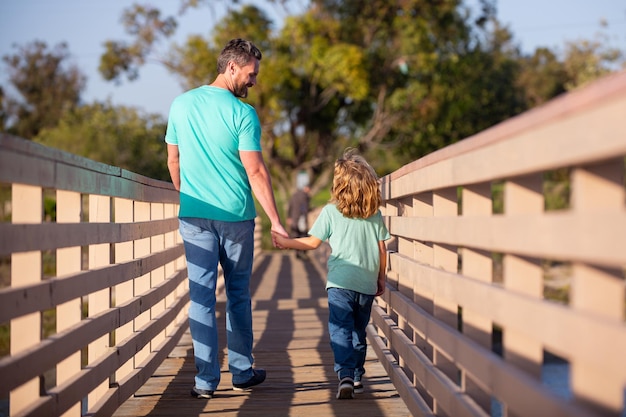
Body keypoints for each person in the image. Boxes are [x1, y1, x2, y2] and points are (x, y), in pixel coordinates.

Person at [165, 38, 288, 399]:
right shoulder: (242, 114)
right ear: (232, 67)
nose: (254, 81)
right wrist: (277, 222)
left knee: (201, 297)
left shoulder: (180, 104)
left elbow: (174, 162)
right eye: (251, 74)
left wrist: (188, 197)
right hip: (235, 217)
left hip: (194, 216)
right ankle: (241, 371)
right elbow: (256, 172)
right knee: (237, 294)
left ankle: (204, 381)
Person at [272, 149, 390, 400]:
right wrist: (381, 277)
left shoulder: (330, 212)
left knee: (340, 329)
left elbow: (312, 243)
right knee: (359, 330)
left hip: (339, 283)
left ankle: (345, 374)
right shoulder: (374, 214)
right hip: (367, 282)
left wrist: (286, 242)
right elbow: (382, 249)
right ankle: (357, 375)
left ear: (338, 185)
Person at [287, 184, 311, 259]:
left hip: (294, 217)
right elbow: (304, 208)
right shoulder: (305, 196)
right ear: (307, 188)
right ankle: (302, 252)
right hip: (301, 217)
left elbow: (290, 206)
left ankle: (297, 252)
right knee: (303, 235)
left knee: (296, 235)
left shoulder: (294, 195)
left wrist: (289, 216)